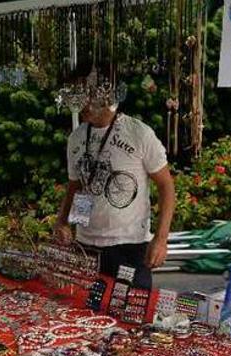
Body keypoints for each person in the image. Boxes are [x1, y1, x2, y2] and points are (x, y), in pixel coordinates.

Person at [54, 69, 176, 289]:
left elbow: (166, 186)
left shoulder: (139, 133)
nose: (80, 104)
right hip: (86, 245)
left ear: (104, 97)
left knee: (131, 314)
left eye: (85, 96)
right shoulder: (77, 137)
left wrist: (161, 239)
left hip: (128, 245)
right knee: (86, 315)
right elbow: (75, 185)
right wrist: (62, 221)